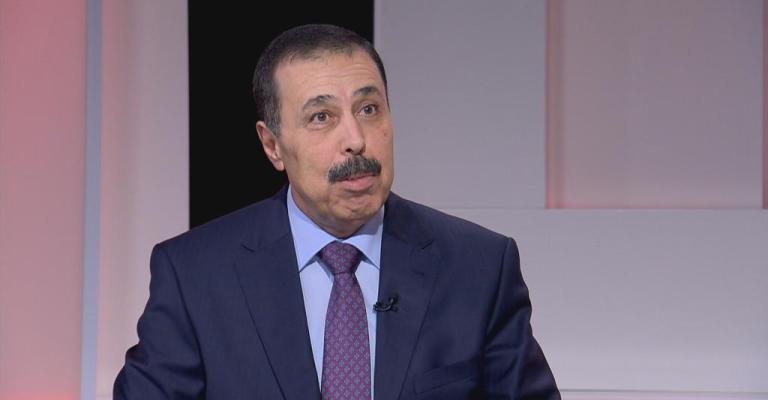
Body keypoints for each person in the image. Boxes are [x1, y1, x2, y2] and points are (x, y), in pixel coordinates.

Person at [114, 24, 560, 400]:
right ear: (272, 145)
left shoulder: (478, 267)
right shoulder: (195, 274)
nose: (356, 139)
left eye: (369, 109)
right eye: (321, 117)